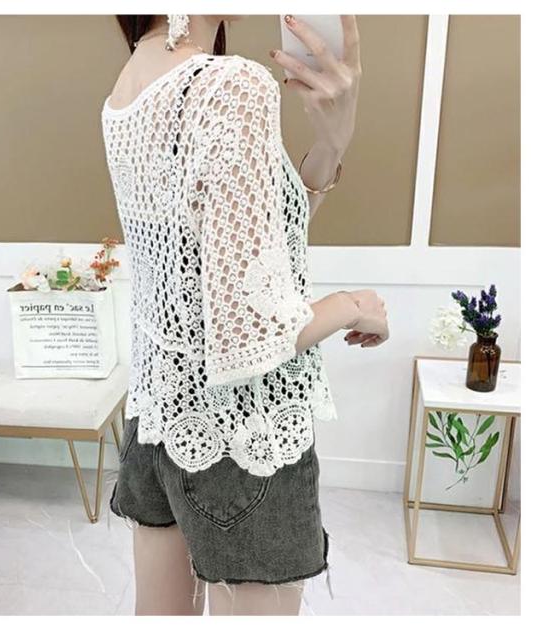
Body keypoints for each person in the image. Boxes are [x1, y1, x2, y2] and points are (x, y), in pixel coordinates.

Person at [101, 14, 389, 616]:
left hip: (158, 423)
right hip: (244, 440)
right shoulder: (232, 83)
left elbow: (248, 251)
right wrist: (350, 306)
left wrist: (331, 144)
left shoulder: (130, 84)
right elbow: (248, 333)